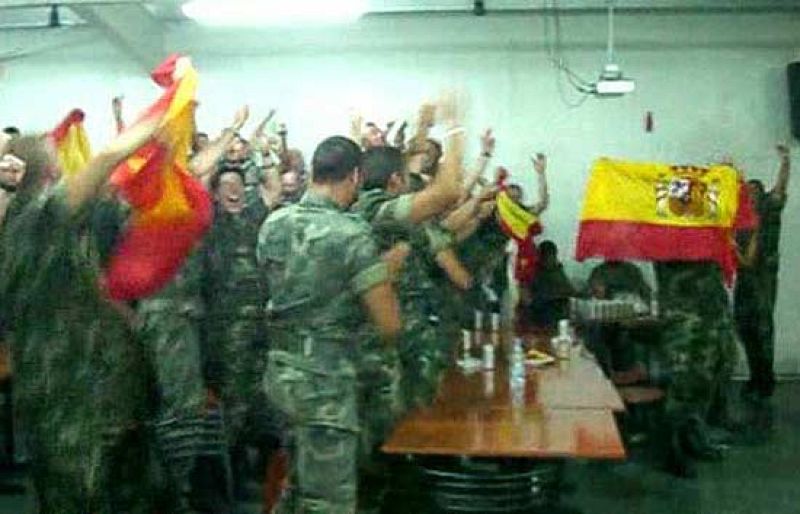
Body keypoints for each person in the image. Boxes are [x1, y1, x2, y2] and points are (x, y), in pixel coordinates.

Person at [0, 117, 179, 513]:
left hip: (85, 386)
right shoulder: (42, 216)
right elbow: (107, 158)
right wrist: (158, 120)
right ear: (49, 171)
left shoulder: (24, 226)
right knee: (83, 496)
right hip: (74, 392)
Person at [258, 136, 403, 513]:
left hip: (281, 375)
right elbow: (388, 324)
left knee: (295, 488)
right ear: (355, 176)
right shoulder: (352, 234)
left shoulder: (273, 223)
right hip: (324, 386)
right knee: (329, 502)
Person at [653, 261, 738, 478]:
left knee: (707, 381)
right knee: (682, 386)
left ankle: (694, 438)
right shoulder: (672, 232)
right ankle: (672, 452)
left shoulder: (706, 232)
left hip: (711, 314)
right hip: (684, 320)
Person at [735, 144, 791, 400]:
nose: (750, 194)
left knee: (762, 328)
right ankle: (754, 376)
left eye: (754, 190)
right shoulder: (740, 216)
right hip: (744, 277)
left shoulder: (769, 210)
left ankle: (765, 382)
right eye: (747, 192)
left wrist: (785, 162)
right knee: (744, 327)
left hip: (763, 277)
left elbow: (780, 188)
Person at [526, 240, 576, 329]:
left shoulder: (557, 270)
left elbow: (569, 290)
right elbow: (566, 291)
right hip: (544, 317)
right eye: (550, 256)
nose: (553, 258)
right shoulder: (538, 274)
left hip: (557, 317)